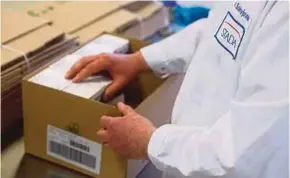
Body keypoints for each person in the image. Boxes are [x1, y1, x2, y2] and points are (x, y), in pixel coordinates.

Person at [65, 1, 289, 178]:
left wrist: (150, 142)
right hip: (186, 159)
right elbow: (219, 29)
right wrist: (141, 60)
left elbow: (246, 154)